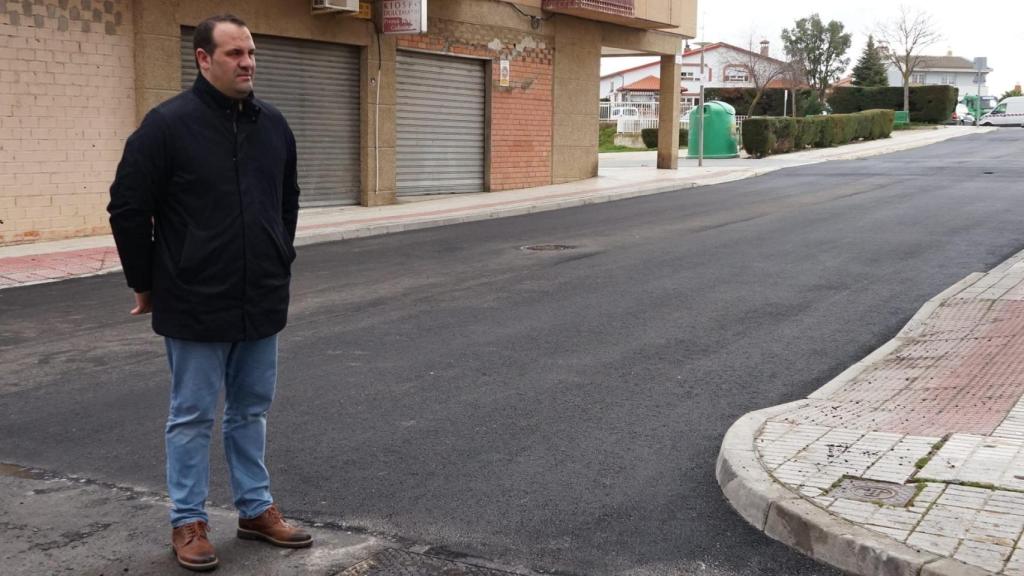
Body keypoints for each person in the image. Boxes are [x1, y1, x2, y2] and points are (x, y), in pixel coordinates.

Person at [107, 14, 310, 572]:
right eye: (233, 54)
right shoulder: (167, 126)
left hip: (261, 295)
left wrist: (279, 254)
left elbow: (286, 199)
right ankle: (188, 522)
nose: (247, 62)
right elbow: (127, 205)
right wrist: (145, 282)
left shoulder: (273, 125)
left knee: (251, 411)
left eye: (250, 53)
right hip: (194, 298)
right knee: (192, 415)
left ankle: (254, 509)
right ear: (202, 58)